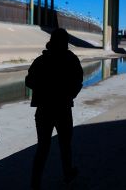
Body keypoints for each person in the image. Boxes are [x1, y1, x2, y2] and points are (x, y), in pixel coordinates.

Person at [25, 28, 83, 189]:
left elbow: (29, 81)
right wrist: (70, 95)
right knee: (65, 145)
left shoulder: (40, 61)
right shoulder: (71, 59)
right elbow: (78, 81)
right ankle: (67, 174)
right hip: (63, 108)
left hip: (43, 110)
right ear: (65, 42)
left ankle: (35, 183)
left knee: (42, 148)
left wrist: (42, 89)